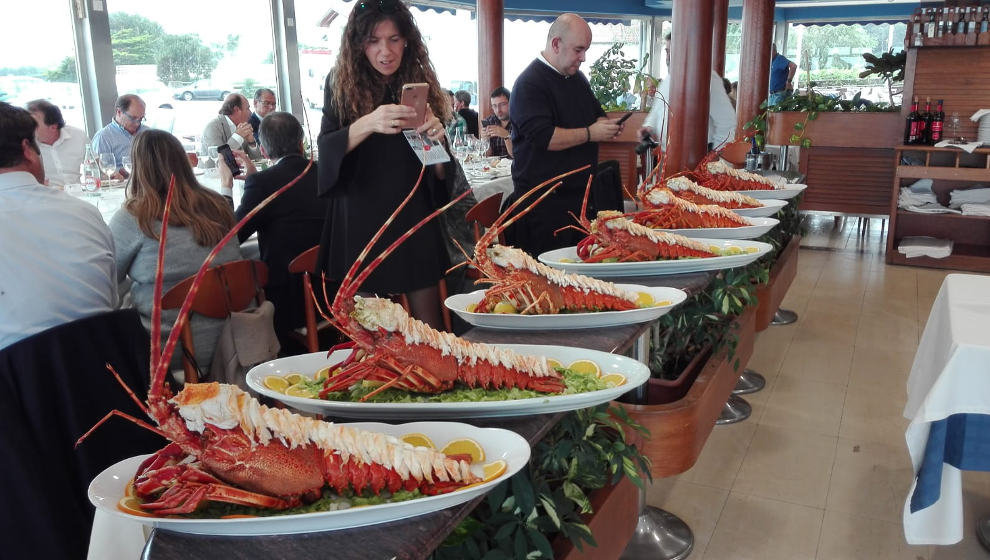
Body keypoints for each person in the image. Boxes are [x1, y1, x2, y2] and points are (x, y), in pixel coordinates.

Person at [316, 0, 453, 330]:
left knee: (428, 330)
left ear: (407, 40)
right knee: (370, 330)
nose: (385, 51)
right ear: (359, 44)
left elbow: (439, 173)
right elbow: (327, 149)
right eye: (374, 41)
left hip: (411, 211)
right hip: (362, 215)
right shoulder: (340, 82)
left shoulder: (417, 79)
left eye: (393, 39)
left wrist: (437, 139)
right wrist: (368, 123)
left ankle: (432, 380)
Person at [110, 129, 242, 372]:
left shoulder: (134, 217)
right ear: (182, 161)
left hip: (172, 351)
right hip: (233, 341)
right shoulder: (217, 204)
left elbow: (107, 282)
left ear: (138, 167)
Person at [0, 101, 116, 350]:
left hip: (19, 380)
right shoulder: (85, 212)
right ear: (28, 150)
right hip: (107, 366)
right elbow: (111, 298)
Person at [506, 13, 622, 257]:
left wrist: (608, 126)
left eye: (585, 50)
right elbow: (545, 138)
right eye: (579, 50)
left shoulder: (577, 78)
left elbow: (596, 114)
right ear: (556, 44)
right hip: (544, 205)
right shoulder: (530, 83)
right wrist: (591, 133)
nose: (583, 58)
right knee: (550, 281)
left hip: (580, 200)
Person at [221, 112, 328, 345]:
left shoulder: (262, 185)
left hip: (291, 302)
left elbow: (229, 240)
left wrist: (226, 188)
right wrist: (255, 179)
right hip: (335, 289)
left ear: (264, 151)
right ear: (301, 144)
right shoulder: (326, 173)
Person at [641, 32, 736, 150]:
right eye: (667, 51)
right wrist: (649, 126)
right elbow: (656, 112)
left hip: (700, 156)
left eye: (672, 51)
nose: (668, 57)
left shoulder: (708, 79)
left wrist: (714, 156)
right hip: (667, 154)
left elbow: (727, 123)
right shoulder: (668, 79)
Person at [26, 99, 87, 186]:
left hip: (78, 193)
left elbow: (96, 166)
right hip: (47, 196)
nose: (29, 127)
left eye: (34, 123)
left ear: (53, 127)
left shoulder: (79, 136)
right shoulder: (27, 146)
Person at [91, 94, 148, 178]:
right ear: (119, 112)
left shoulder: (147, 132)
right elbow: (99, 171)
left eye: (141, 119)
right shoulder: (103, 137)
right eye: (133, 118)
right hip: (120, 186)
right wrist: (121, 171)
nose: (137, 123)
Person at [202, 93, 263, 167]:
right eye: (247, 108)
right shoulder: (213, 127)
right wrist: (237, 137)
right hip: (213, 176)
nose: (250, 113)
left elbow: (258, 160)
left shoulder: (242, 126)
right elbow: (219, 160)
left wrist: (252, 142)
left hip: (240, 175)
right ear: (236, 110)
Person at [481, 86, 513, 158]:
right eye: (494, 106)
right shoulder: (490, 121)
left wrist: (507, 136)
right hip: (494, 167)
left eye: (502, 105)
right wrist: (485, 140)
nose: (498, 110)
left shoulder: (519, 122)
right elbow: (486, 155)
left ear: (511, 103)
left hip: (515, 166)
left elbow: (516, 155)